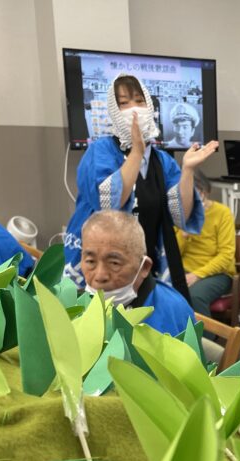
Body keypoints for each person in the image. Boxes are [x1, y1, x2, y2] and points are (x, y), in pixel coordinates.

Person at [63, 74, 217, 301]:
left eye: (139, 101)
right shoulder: (100, 151)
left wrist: (187, 171)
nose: (134, 109)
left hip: (146, 264)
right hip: (104, 269)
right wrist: (136, 151)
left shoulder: (162, 160)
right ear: (113, 111)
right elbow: (107, 206)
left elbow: (180, 214)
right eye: (123, 103)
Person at [79, 209, 193, 336]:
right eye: (90, 261)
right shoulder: (74, 304)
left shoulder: (173, 310)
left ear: (144, 267)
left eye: (114, 263)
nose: (100, 276)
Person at [177, 170, 236, 318]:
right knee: (161, 292)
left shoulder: (222, 213)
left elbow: (226, 255)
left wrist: (197, 275)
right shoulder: (179, 214)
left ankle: (204, 340)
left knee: (195, 296)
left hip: (218, 273)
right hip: (184, 270)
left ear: (204, 192)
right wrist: (184, 232)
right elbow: (173, 254)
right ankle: (173, 337)